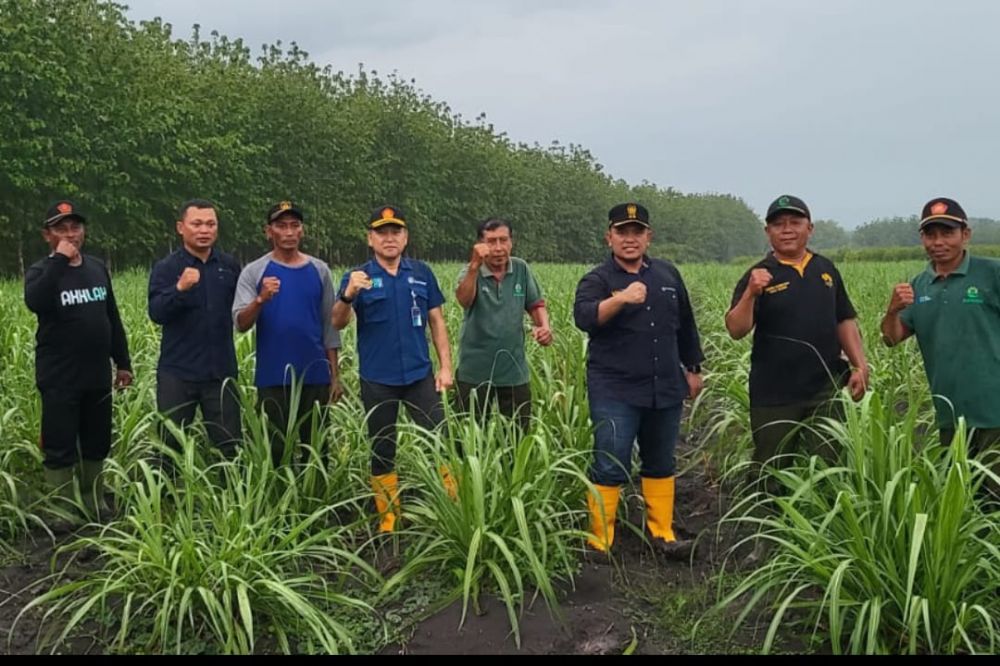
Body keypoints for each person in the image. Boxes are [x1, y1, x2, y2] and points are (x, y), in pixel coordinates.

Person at [574, 202, 704, 559]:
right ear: (609, 236)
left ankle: (662, 533)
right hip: (614, 387)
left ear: (648, 236)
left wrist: (693, 367)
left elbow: (686, 324)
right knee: (610, 459)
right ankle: (600, 539)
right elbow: (584, 317)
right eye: (622, 232)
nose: (629, 239)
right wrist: (621, 299)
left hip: (664, 384)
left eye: (636, 232)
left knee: (661, 459)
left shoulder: (667, 275)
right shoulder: (597, 279)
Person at [726, 195, 868, 481]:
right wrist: (752, 293)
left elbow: (844, 319)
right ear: (768, 232)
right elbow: (736, 329)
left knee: (831, 464)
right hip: (774, 392)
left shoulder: (825, 269)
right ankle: (769, 521)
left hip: (825, 387)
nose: (787, 229)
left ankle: (826, 519)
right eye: (778, 224)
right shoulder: (758, 275)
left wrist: (859, 365)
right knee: (771, 468)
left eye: (795, 222)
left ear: (810, 228)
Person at [333, 205, 454, 532]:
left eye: (395, 232)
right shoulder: (357, 277)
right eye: (382, 233)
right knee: (382, 445)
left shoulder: (421, 273)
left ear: (405, 237)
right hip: (378, 379)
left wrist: (446, 367)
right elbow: (337, 322)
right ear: (370, 239)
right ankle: (389, 519)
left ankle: (454, 506)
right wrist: (347, 295)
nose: (389, 238)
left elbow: (437, 321)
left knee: (440, 439)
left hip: (419, 375)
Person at [881, 197, 1000, 499]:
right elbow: (892, 338)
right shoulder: (919, 285)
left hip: (994, 412)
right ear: (922, 238)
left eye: (947, 233)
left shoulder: (991, 274)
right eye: (931, 234)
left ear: (965, 234)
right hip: (949, 414)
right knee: (963, 499)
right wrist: (892, 311)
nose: (939, 242)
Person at [24, 200, 132, 523]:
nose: (70, 234)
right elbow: (36, 301)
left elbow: (110, 316)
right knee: (59, 442)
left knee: (97, 439)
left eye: (75, 227)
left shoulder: (97, 268)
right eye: (61, 229)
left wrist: (123, 361)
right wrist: (60, 260)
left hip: (96, 373)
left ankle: (94, 498)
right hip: (59, 375)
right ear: (48, 235)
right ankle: (62, 509)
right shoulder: (42, 272)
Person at [232, 201, 342, 465]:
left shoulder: (319, 270)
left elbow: (330, 325)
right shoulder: (254, 272)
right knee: (275, 447)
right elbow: (240, 323)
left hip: (314, 374)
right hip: (273, 376)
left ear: (302, 231)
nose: (289, 232)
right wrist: (260, 299)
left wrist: (335, 376)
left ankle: (315, 497)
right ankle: (278, 501)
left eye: (295, 226)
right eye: (282, 226)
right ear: (269, 232)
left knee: (316, 447)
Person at [148, 199, 241, 460]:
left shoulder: (229, 266)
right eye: (196, 224)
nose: (204, 230)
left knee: (230, 446)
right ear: (181, 227)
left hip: (220, 371)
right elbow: (156, 312)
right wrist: (179, 289)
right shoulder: (167, 268)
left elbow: (242, 312)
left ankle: (229, 498)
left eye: (210, 224)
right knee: (169, 448)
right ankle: (165, 499)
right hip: (178, 373)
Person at [454, 217, 552, 432]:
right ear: (480, 244)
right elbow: (464, 300)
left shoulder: (520, 269)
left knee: (518, 435)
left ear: (511, 242)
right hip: (474, 373)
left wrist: (544, 327)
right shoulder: (470, 272)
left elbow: (535, 304)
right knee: (469, 437)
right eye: (491, 241)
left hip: (513, 371)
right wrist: (473, 267)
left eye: (503, 240)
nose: (498, 248)